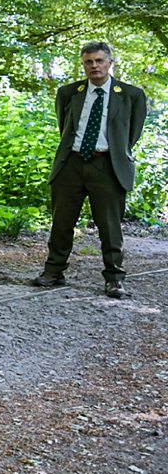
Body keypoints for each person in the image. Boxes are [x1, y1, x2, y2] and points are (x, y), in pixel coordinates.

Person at [32, 41, 147, 298]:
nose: (94, 66)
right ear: (83, 64)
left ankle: (115, 278)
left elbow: (133, 132)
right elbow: (65, 126)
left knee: (110, 226)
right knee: (62, 222)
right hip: (71, 164)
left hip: (107, 165)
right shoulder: (68, 92)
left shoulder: (131, 95)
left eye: (99, 61)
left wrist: (112, 151)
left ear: (109, 62)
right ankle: (53, 271)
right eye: (88, 62)